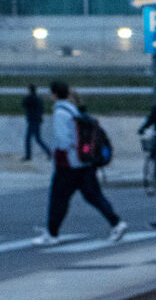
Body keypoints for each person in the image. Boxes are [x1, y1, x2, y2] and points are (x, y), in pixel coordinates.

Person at [36, 79, 125, 244]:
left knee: (58, 199)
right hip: (84, 162)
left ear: (54, 94)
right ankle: (116, 223)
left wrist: (55, 152)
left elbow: (63, 141)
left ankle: (52, 234)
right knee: (94, 196)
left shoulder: (60, 113)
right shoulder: (74, 111)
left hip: (68, 165)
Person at [21, 82, 46, 162]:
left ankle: (28, 156)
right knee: (38, 139)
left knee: (28, 139)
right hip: (37, 120)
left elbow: (23, 104)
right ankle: (49, 153)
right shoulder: (39, 98)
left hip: (32, 120)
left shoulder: (30, 98)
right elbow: (41, 109)